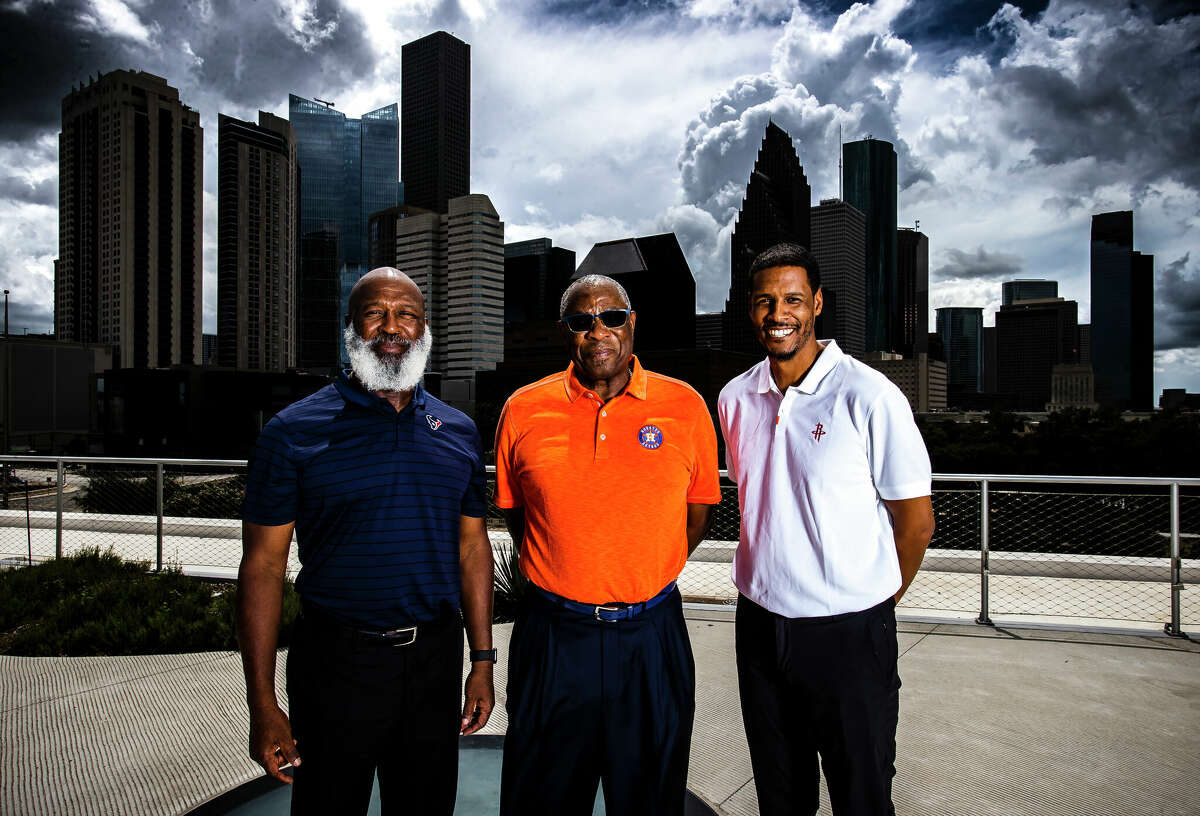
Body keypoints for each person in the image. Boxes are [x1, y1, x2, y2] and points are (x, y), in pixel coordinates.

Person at [236, 267, 495, 816]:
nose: (392, 327)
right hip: (335, 664)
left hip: (434, 663)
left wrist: (482, 660)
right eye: (376, 313)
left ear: (425, 331)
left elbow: (473, 548)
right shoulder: (293, 431)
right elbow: (262, 567)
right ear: (351, 327)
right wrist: (262, 703)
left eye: (407, 315)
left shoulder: (460, 432)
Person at [718, 243, 935, 816]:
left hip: (848, 633)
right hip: (760, 627)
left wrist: (872, 603)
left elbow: (915, 523)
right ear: (749, 308)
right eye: (765, 300)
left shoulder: (869, 394)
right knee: (780, 798)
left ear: (816, 303)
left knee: (860, 795)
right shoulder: (735, 397)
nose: (778, 313)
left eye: (792, 299)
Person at [493, 274, 721, 816]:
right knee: (540, 799)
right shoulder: (523, 409)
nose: (599, 331)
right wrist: (575, 570)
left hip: (651, 637)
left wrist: (634, 570)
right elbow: (517, 516)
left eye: (612, 317)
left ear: (632, 322)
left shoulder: (684, 406)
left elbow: (695, 517)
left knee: (649, 799)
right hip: (553, 635)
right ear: (565, 332)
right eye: (582, 320)